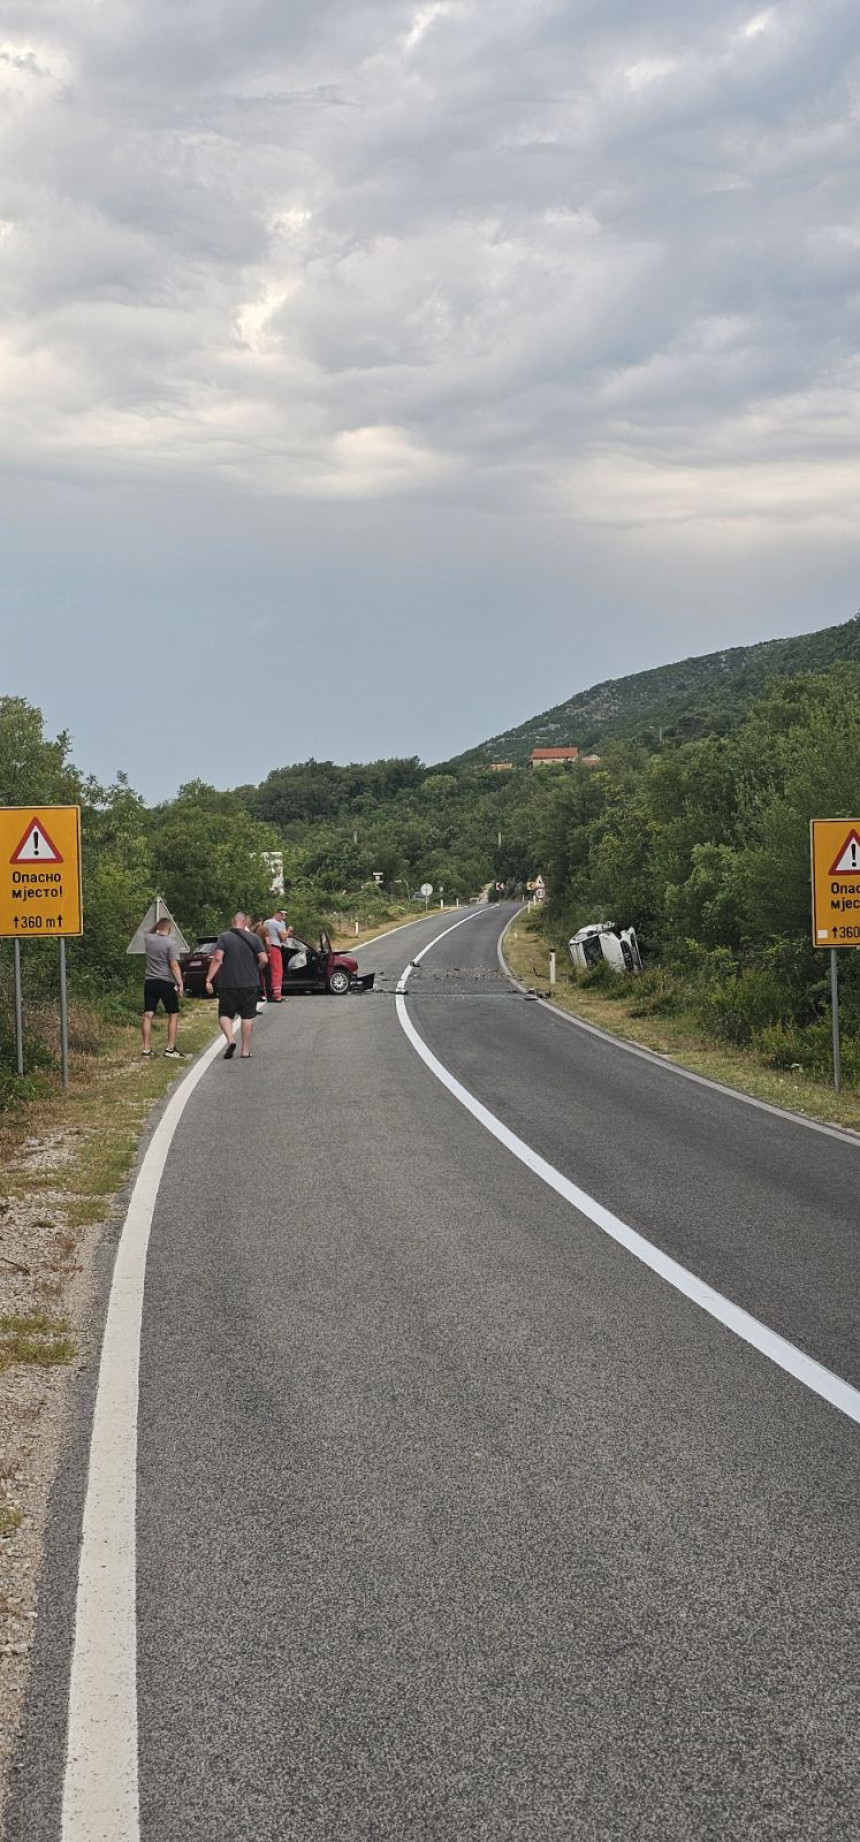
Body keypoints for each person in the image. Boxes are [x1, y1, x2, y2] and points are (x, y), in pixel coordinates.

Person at [205, 913, 268, 1059]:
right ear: (246, 922)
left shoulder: (224, 937)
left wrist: (209, 979)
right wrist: (256, 968)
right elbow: (264, 959)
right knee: (247, 1016)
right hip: (250, 983)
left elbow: (217, 959)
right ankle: (245, 1051)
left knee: (225, 1014)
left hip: (228, 983)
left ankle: (231, 1039)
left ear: (233, 921)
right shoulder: (254, 938)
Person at [142, 917, 184, 1058]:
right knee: (173, 1013)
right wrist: (180, 983)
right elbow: (174, 965)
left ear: (158, 927)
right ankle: (170, 1049)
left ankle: (146, 1049)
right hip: (165, 982)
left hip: (150, 982)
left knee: (148, 1014)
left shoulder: (149, 939)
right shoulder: (171, 944)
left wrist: (157, 926)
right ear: (170, 928)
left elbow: (149, 931)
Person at [261, 909, 294, 1002]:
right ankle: (277, 994)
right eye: (284, 915)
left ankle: (267, 993)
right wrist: (288, 931)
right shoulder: (277, 923)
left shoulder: (266, 922)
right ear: (278, 914)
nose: (284, 917)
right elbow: (283, 938)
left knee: (268, 973)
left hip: (266, 948)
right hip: (275, 948)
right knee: (277, 971)